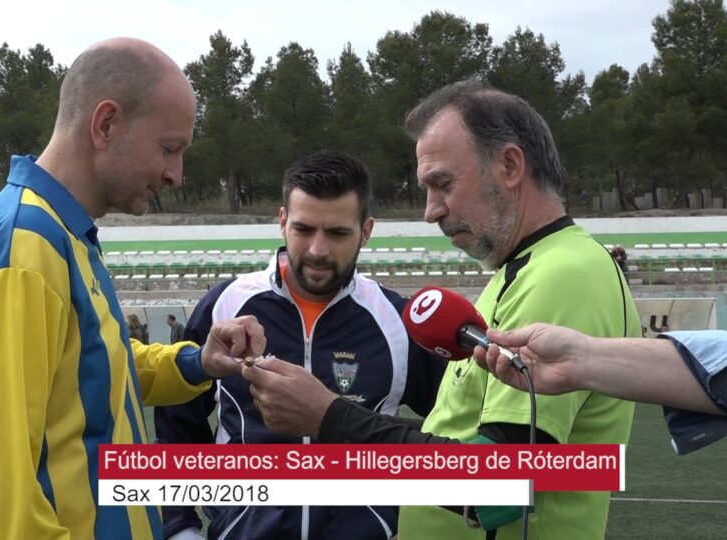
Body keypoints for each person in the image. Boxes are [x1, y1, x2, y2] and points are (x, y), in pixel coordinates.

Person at [243, 80, 641, 539]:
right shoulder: (525, 270)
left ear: (510, 165)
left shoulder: (564, 274)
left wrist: (330, 416)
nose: (430, 211)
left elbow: (498, 486)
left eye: (442, 184)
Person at [0, 38, 266, 539]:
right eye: (169, 149)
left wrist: (198, 362)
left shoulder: (66, 234)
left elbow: (91, 371)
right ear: (106, 125)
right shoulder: (23, 243)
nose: (176, 175)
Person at [155, 151, 445, 540]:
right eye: (304, 229)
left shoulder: (397, 320)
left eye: (338, 233)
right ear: (282, 222)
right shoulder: (227, 304)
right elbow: (178, 423)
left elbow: (452, 426)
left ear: (367, 230)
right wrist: (179, 527)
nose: (317, 250)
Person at [474, 323, 727, 454]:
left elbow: (504, 480)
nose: (432, 210)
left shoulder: (561, 271)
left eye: (445, 190)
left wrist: (426, 461)